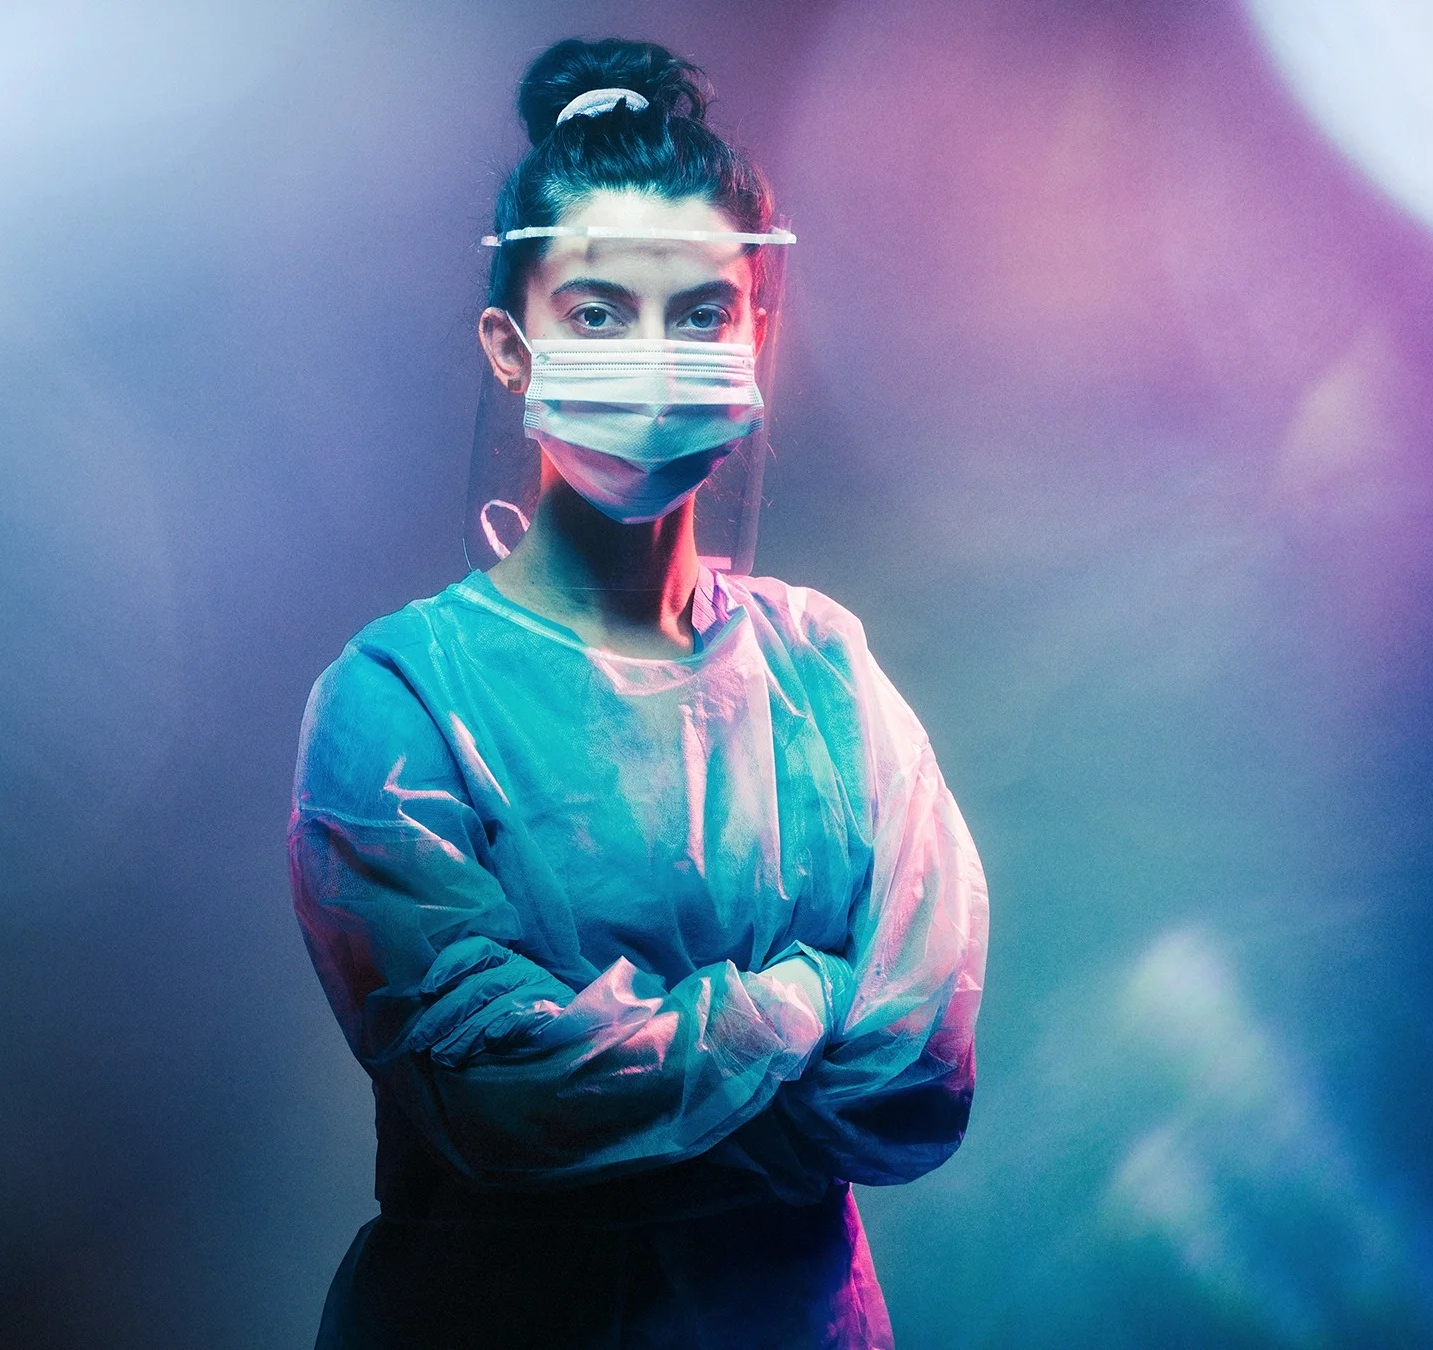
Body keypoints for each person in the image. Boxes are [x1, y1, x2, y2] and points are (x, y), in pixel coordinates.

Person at [289, 37, 988, 1349]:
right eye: (600, 313)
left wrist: (641, 1078)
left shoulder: (825, 671)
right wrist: (800, 996)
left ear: (758, 333)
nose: (657, 361)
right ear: (511, 346)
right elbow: (501, 1098)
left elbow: (917, 1075)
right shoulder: (399, 700)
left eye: (703, 313)